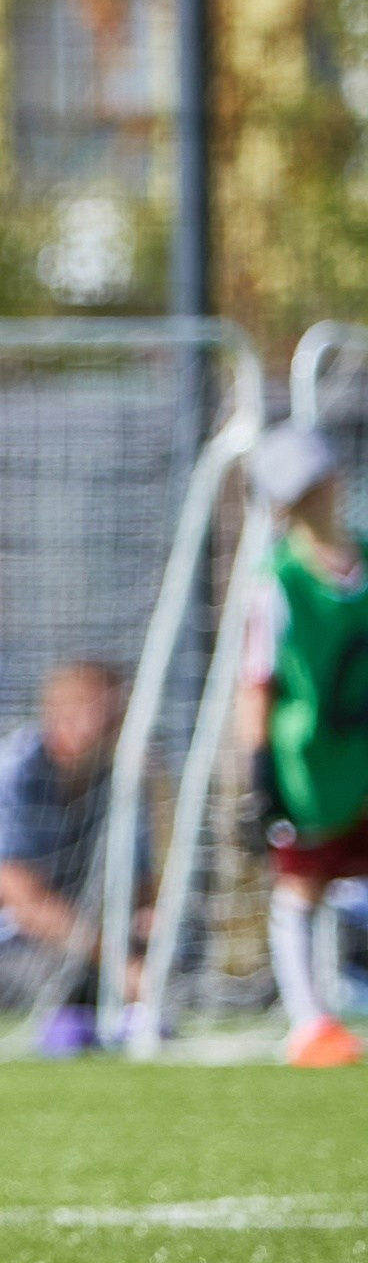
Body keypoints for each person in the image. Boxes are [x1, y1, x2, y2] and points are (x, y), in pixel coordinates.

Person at [0, 661, 147, 1050]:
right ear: (66, 716)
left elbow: (141, 889)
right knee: (66, 977)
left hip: (79, 947)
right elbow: (22, 902)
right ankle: (77, 1026)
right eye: (111, 716)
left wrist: (154, 934)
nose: (122, 727)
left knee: (175, 963)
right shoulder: (1, 777)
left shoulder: (118, 784)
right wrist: (118, 962)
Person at [235, 424, 368, 1068]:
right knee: (303, 885)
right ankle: (310, 1022)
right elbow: (256, 683)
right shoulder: (278, 581)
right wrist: (259, 772)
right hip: (311, 764)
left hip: (362, 754)